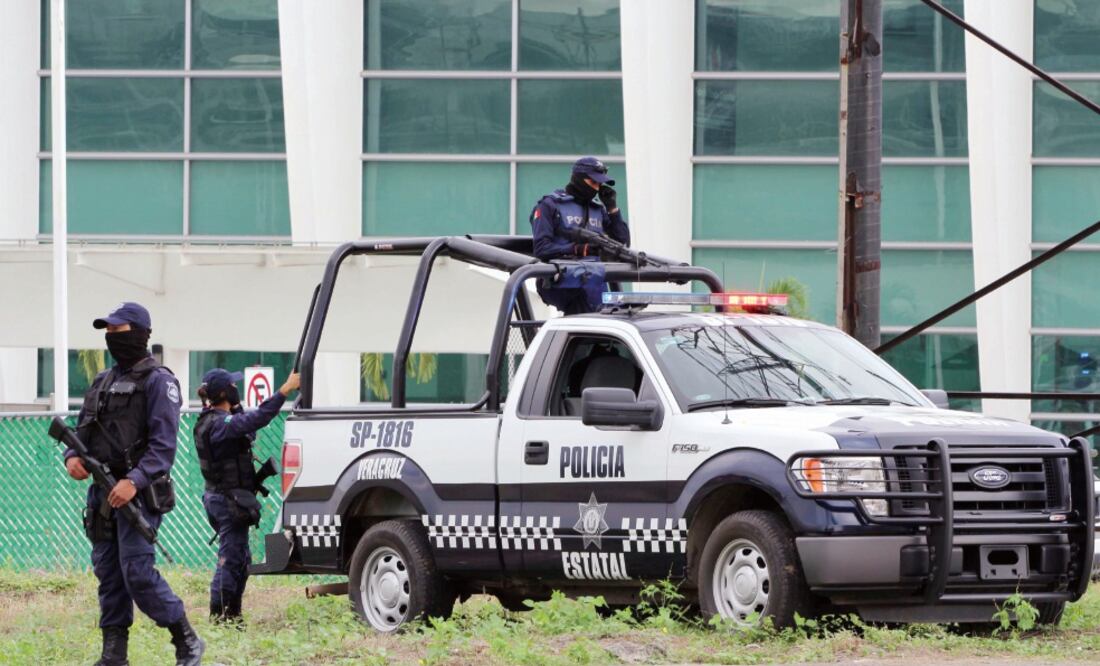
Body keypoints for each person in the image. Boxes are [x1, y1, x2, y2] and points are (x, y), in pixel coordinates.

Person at [64, 302, 204, 666]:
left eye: (119, 332)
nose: (112, 338)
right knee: (108, 573)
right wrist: (72, 458)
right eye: (108, 332)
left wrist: (133, 480)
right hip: (102, 493)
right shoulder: (102, 380)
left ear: (141, 334)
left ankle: (185, 638)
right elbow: (80, 431)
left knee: (137, 573)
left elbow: (163, 449)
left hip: (137, 495)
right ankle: (114, 654)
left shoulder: (160, 382)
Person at [194, 368, 300, 623]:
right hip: (227, 501)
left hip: (226, 499)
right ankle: (219, 617)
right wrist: (285, 390)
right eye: (232, 386)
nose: (236, 389)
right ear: (223, 392)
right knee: (231, 559)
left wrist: (238, 406)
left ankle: (233, 613)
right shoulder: (218, 424)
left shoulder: (215, 420)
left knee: (241, 559)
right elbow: (257, 420)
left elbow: (247, 433)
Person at [529, 156, 631, 314]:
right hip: (561, 280)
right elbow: (542, 249)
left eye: (599, 184)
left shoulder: (598, 209)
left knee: (625, 310)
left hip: (594, 280)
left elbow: (622, 243)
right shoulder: (550, 205)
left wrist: (612, 209)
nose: (597, 189)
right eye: (593, 182)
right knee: (589, 313)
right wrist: (578, 249)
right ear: (579, 179)